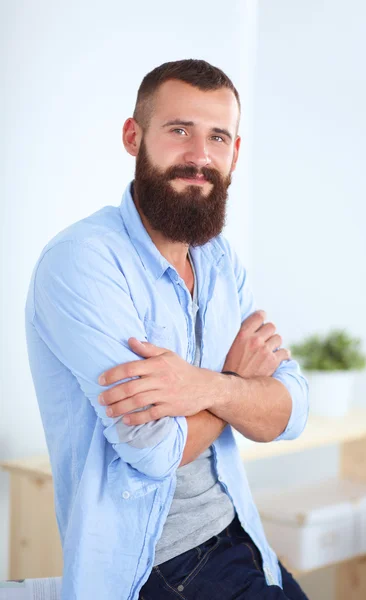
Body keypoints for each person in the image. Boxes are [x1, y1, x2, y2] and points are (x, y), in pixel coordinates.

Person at [25, 59, 310, 600]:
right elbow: (154, 451)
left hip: (241, 532)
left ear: (235, 153)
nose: (200, 157)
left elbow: (292, 409)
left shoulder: (220, 262)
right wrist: (237, 384)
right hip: (159, 563)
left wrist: (203, 386)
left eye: (217, 137)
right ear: (134, 137)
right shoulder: (83, 261)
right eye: (179, 131)